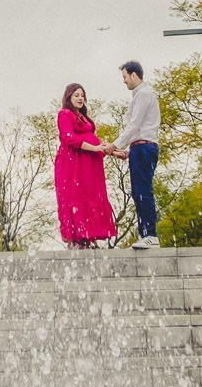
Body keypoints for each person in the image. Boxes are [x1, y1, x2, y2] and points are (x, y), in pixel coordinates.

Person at [53, 83, 117, 249]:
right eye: (76, 95)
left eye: (82, 95)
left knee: (90, 195)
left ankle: (88, 236)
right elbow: (69, 138)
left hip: (89, 165)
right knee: (75, 196)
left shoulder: (83, 117)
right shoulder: (65, 114)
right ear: (68, 97)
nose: (80, 98)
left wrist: (115, 151)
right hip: (73, 165)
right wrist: (95, 148)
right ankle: (77, 238)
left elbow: (94, 141)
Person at [110, 61, 161, 249]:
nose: (124, 81)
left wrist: (115, 144)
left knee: (143, 191)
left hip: (144, 148)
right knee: (138, 192)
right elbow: (141, 128)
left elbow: (136, 126)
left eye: (124, 77)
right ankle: (145, 234)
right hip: (139, 148)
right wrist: (127, 150)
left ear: (134, 75)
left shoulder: (144, 94)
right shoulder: (140, 95)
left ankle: (150, 234)